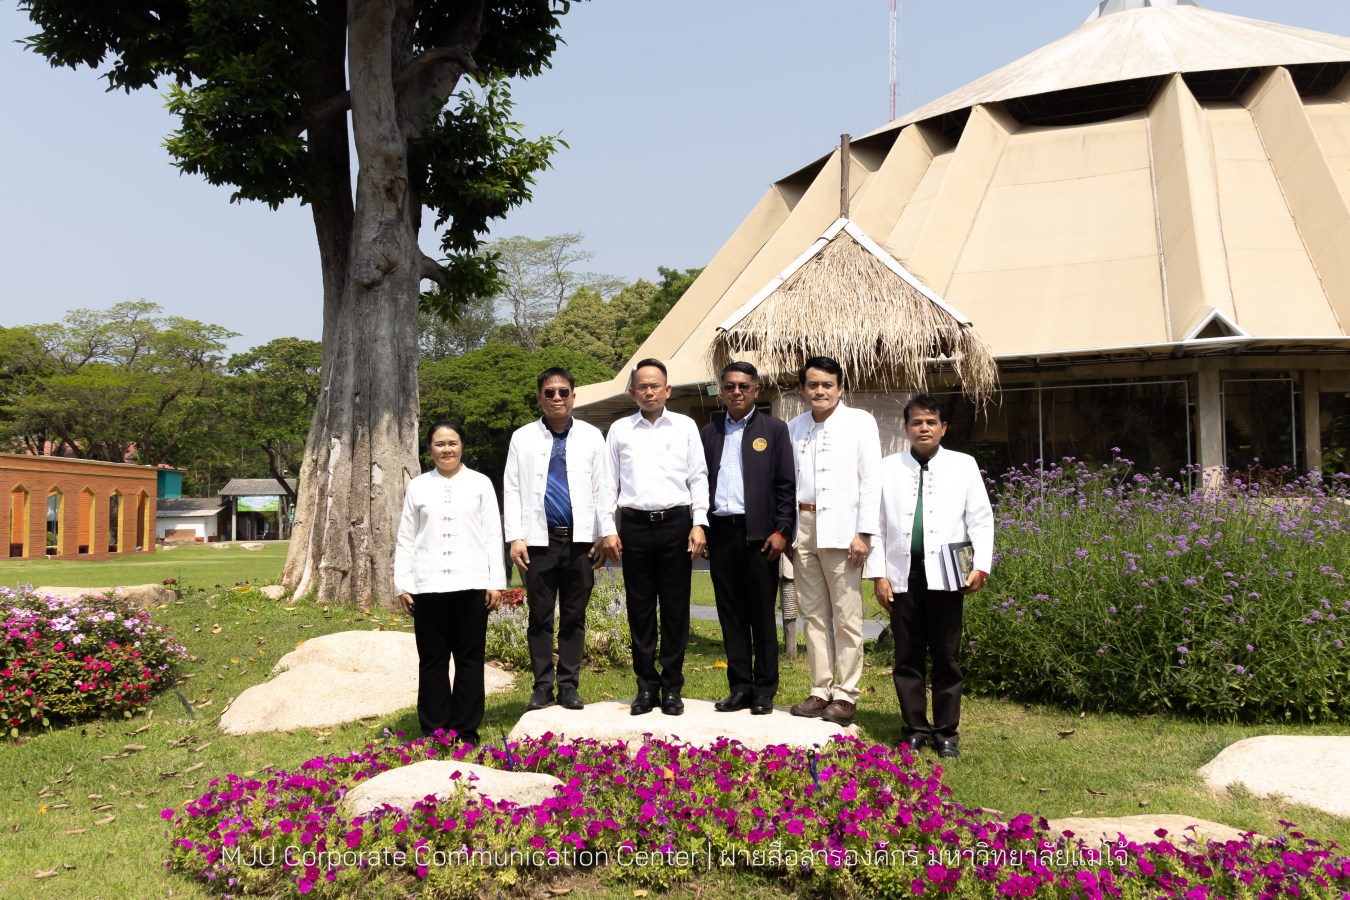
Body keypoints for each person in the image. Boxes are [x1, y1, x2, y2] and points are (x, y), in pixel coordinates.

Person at [864, 394, 993, 759]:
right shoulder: (888, 467)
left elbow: (980, 519)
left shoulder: (963, 464)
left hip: (950, 571)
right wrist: (878, 575)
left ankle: (946, 732)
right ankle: (914, 729)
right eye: (917, 422)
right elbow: (877, 525)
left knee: (947, 656)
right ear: (906, 428)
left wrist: (979, 566)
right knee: (907, 656)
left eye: (931, 422)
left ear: (943, 428)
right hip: (902, 572)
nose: (924, 428)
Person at [600, 358, 709, 716]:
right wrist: (608, 529)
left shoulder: (685, 427)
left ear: (667, 390)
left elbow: (698, 477)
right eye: (642, 386)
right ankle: (645, 687)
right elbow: (607, 484)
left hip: (676, 524)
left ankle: (673, 687)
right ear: (632, 392)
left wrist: (699, 523)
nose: (649, 391)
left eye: (655, 385)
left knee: (676, 608)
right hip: (633, 526)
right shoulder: (619, 430)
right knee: (640, 608)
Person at [503, 367, 609, 713]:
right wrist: (515, 537)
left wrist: (602, 534)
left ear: (574, 396)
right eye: (549, 392)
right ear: (539, 397)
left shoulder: (593, 437)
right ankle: (541, 685)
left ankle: (568, 685)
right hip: (538, 542)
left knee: (575, 615)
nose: (557, 398)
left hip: (580, 542)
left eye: (563, 392)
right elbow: (513, 488)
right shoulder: (522, 437)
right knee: (540, 616)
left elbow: (602, 489)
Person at [394, 420, 504, 745]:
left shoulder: (481, 484)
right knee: (433, 662)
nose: (447, 449)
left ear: (462, 446)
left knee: (470, 661)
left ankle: (466, 731)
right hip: (427, 587)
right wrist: (404, 583)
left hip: (471, 585)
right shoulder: (418, 486)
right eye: (440, 444)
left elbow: (492, 535)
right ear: (430, 449)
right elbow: (406, 538)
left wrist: (495, 581)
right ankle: (435, 731)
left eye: (452, 443)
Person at [785, 356, 881, 728]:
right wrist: (790, 532)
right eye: (813, 385)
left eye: (827, 384)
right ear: (802, 390)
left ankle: (846, 694)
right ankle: (820, 689)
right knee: (812, 613)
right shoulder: (794, 427)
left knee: (846, 614)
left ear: (840, 388)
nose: (820, 391)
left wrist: (864, 533)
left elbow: (871, 480)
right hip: (803, 525)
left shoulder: (860, 422)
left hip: (844, 529)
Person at [699, 361, 795, 715]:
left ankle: (764, 690)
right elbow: (699, 483)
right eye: (729, 387)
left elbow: (786, 485)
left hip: (760, 536)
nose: (736, 392)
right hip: (721, 532)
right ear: (721, 391)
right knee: (730, 613)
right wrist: (702, 528)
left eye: (743, 386)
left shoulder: (773, 430)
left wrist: (782, 530)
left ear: (756, 390)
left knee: (760, 613)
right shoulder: (709, 432)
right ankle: (739, 687)